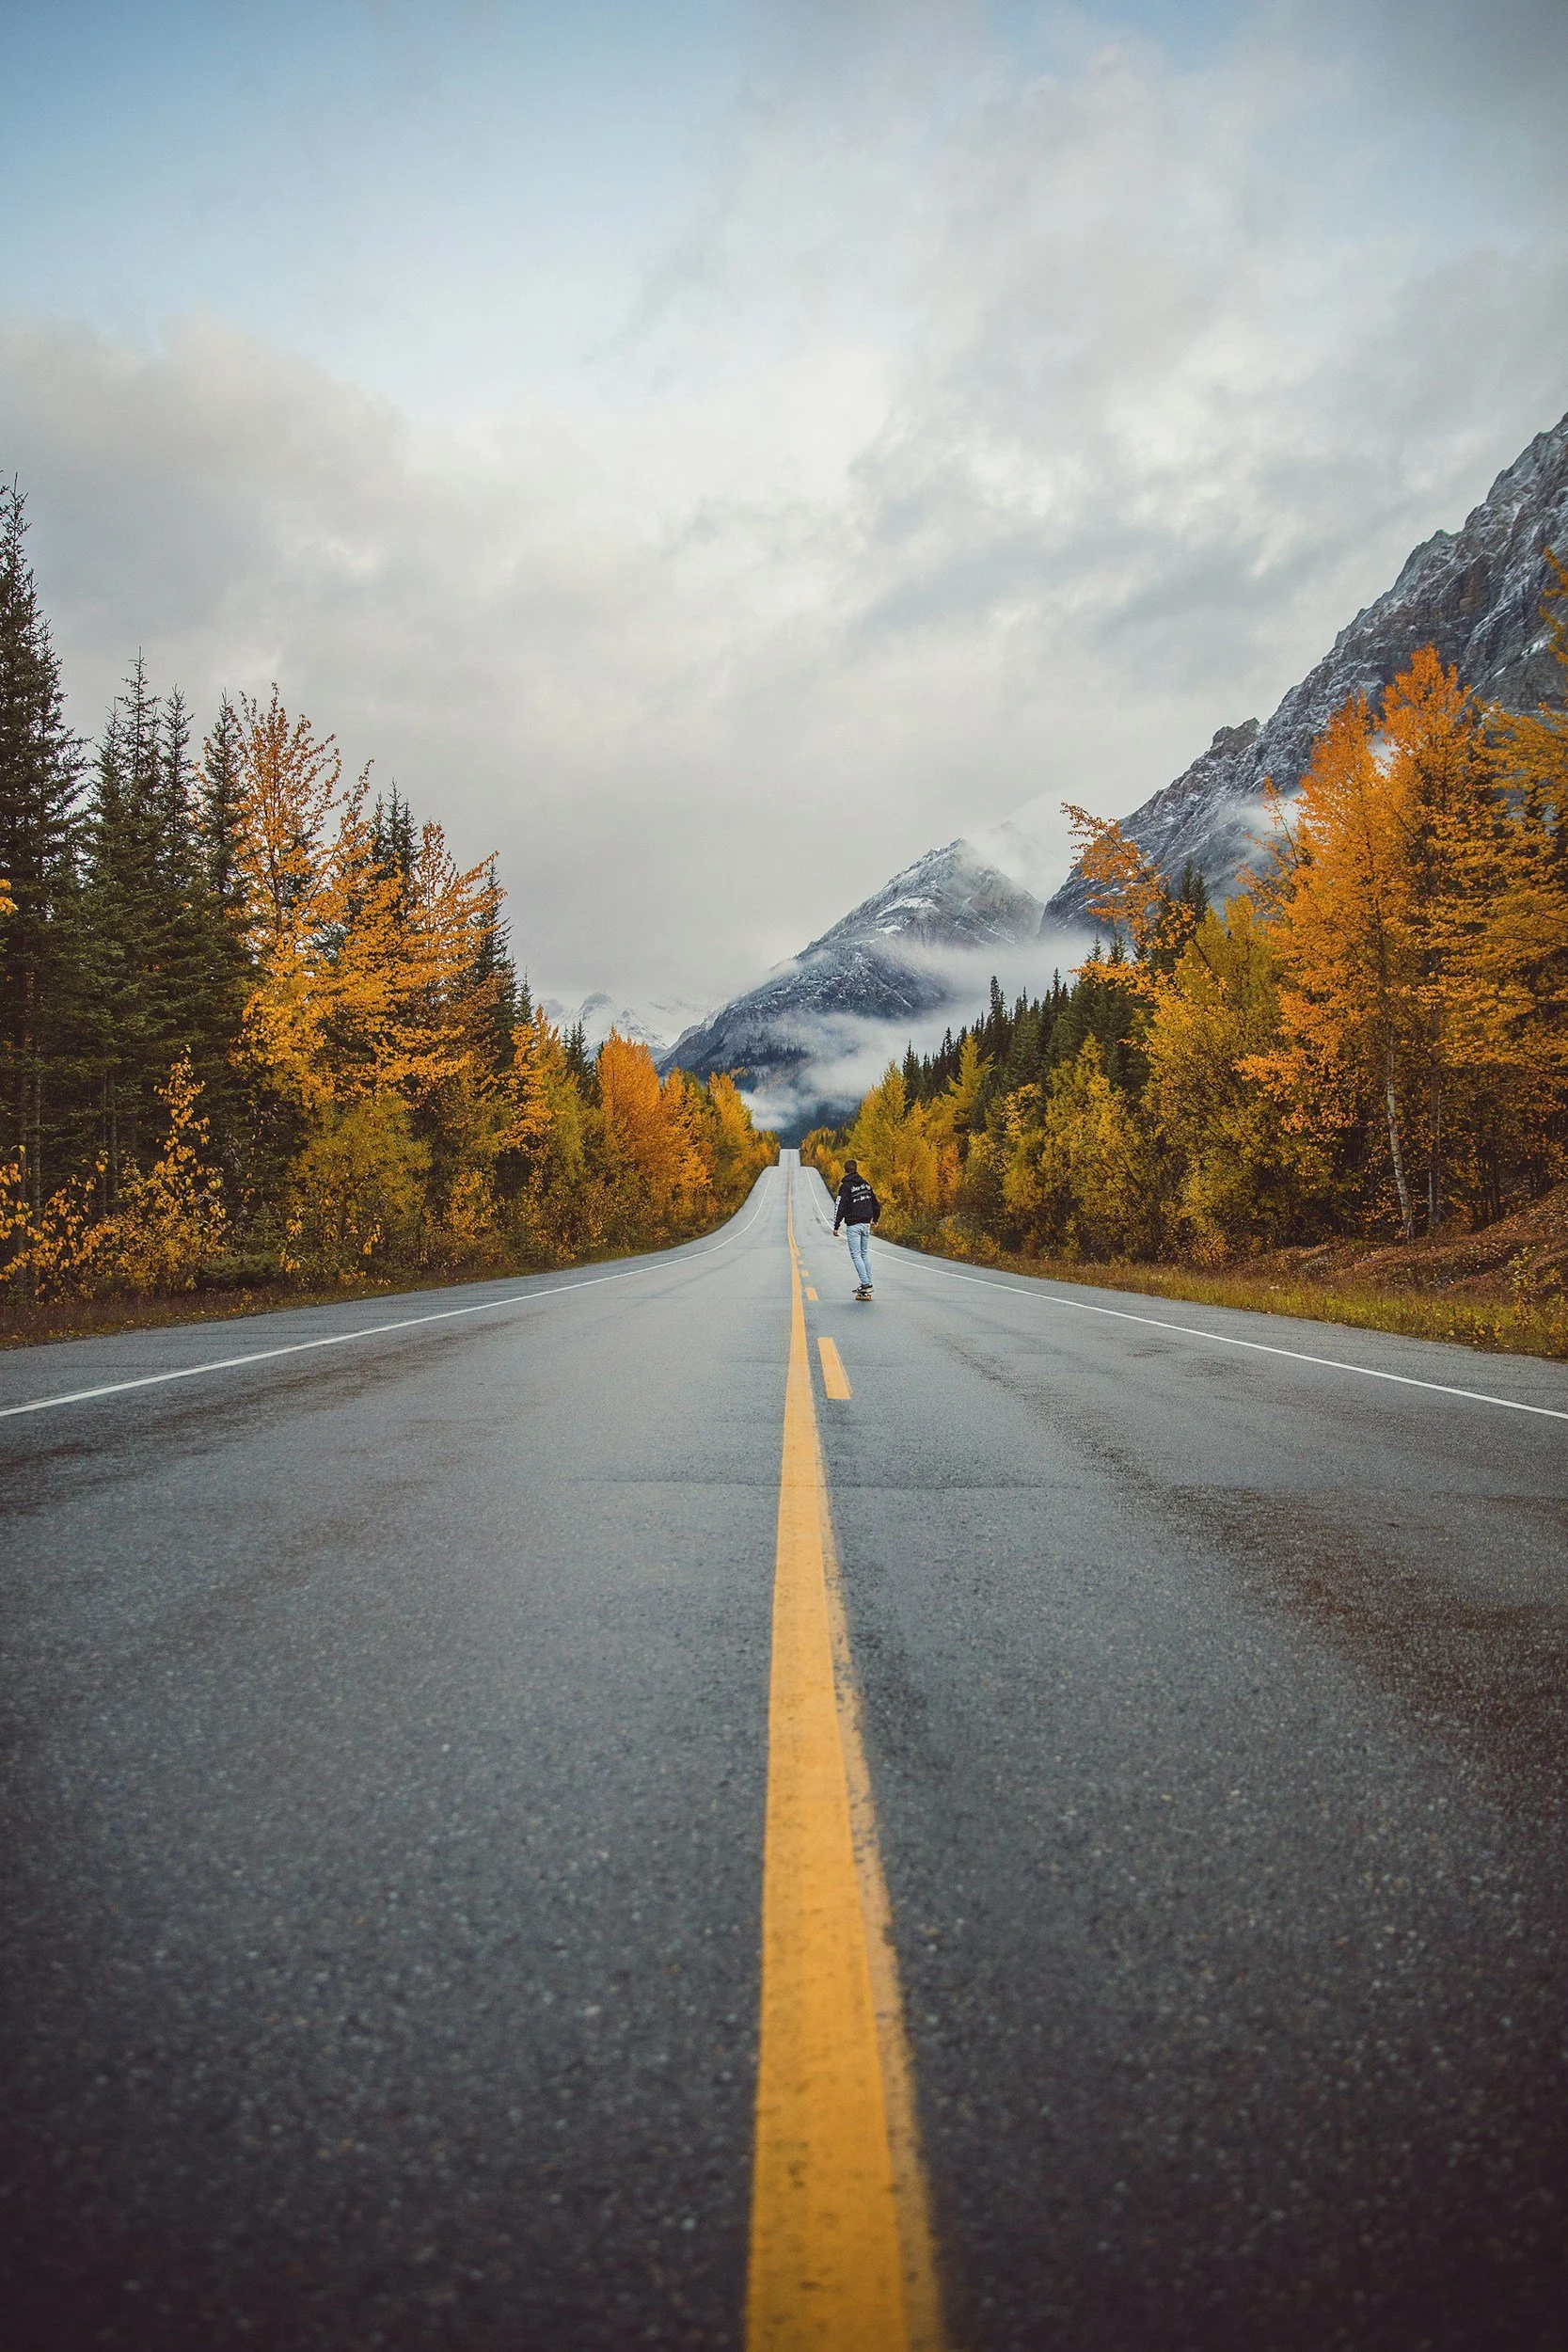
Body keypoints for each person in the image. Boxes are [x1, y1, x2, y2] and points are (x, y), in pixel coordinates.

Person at [832, 1158, 880, 1298]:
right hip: (866, 1223)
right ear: (856, 1169)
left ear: (845, 1170)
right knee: (864, 1253)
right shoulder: (866, 1185)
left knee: (856, 1255)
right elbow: (876, 1204)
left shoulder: (846, 1187)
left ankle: (866, 1284)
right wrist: (875, 1219)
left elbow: (840, 1206)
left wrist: (836, 1225)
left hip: (854, 1224)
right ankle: (868, 1283)